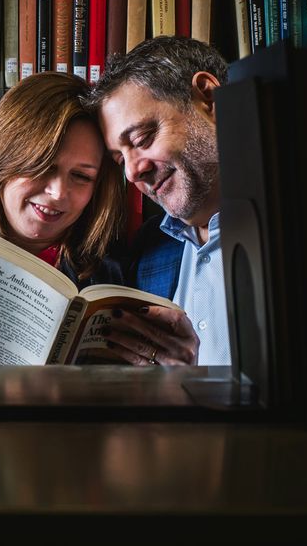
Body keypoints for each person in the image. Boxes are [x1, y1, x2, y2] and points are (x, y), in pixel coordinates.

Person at [0, 72, 129, 336]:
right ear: (1, 159)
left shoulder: (117, 279)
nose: (58, 192)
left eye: (81, 176)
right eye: (43, 166)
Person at [85, 35, 230, 366]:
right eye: (120, 161)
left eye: (141, 139)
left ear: (208, 97)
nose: (133, 173)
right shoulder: (148, 249)